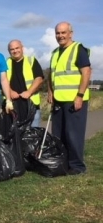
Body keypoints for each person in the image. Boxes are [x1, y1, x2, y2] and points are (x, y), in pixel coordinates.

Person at [48, 21, 91, 175]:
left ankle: (77, 167)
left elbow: (86, 72)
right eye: (58, 33)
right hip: (59, 100)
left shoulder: (78, 49)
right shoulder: (54, 53)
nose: (60, 36)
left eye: (63, 32)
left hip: (74, 100)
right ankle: (63, 164)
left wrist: (79, 96)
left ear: (70, 33)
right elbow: (52, 75)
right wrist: (50, 91)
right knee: (58, 135)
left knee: (73, 135)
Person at [6, 40, 44, 127]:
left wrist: (29, 92)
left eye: (17, 48)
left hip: (31, 105)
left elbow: (39, 78)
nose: (15, 51)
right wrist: (10, 92)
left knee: (33, 136)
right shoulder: (6, 63)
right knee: (14, 136)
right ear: (9, 51)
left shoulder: (31, 60)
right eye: (12, 49)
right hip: (13, 106)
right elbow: (2, 80)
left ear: (22, 48)